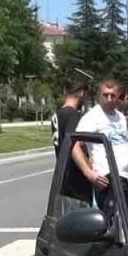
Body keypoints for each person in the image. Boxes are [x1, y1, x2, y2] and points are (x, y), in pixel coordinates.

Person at [72, 76, 128, 220]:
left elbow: (120, 143)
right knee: (113, 223)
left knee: (124, 221)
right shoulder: (93, 117)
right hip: (106, 177)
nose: (109, 99)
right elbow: (75, 147)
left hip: (121, 177)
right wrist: (88, 173)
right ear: (100, 96)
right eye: (105, 95)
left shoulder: (120, 117)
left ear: (118, 96)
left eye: (113, 95)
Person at [50, 77, 91, 205]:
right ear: (81, 93)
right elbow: (73, 145)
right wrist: (88, 171)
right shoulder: (73, 115)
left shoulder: (57, 114)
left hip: (62, 176)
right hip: (75, 179)